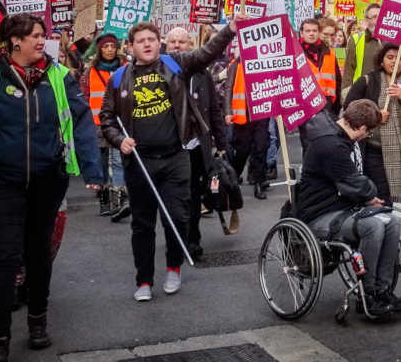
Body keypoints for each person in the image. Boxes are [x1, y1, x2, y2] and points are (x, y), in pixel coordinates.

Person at [0, 13, 102, 361]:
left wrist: (92, 168)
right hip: (1, 182)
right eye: (35, 35)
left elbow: (80, 122)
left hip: (48, 181)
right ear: (14, 41)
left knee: (38, 255)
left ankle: (38, 320)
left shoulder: (60, 76)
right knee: (5, 258)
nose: (42, 41)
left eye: (43, 35)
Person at [99, 18, 240, 301]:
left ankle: (173, 267)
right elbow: (107, 118)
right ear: (131, 47)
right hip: (140, 162)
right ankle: (144, 280)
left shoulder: (175, 64)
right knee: (142, 223)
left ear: (158, 43)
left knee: (177, 217)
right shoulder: (118, 79)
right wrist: (119, 140)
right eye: (141, 41)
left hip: (176, 157)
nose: (148, 44)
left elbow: (206, 53)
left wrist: (230, 31)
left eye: (152, 39)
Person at [291, 99, 401, 317]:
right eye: (368, 133)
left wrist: (370, 197)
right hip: (319, 214)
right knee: (373, 226)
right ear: (362, 129)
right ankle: (369, 293)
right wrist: (371, 196)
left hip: (344, 208)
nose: (366, 136)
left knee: (392, 222)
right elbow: (356, 183)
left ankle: (383, 288)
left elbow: (356, 185)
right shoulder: (331, 146)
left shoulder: (340, 139)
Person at [164, 27, 228, 260]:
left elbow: (214, 111)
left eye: (182, 42)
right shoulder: (157, 71)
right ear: (166, 44)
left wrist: (221, 144)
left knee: (192, 195)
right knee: (173, 198)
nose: (177, 46)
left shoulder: (202, 74)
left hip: (195, 147)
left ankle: (192, 239)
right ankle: (176, 236)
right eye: (173, 42)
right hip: (168, 148)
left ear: (191, 45)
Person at [345, 43, 401, 203]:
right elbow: (349, 108)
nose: (394, 62)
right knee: (381, 194)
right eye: (390, 57)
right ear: (381, 61)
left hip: (399, 151)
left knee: (386, 197)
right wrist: (375, 116)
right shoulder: (367, 81)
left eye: (399, 58)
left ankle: (382, 222)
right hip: (372, 149)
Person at [83, 33, 129, 219]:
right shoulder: (90, 71)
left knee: (118, 160)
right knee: (100, 161)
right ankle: (104, 201)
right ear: (99, 49)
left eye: (112, 46)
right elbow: (85, 97)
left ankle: (118, 200)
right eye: (105, 46)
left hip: (119, 123)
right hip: (97, 124)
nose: (110, 49)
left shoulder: (126, 68)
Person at [224, 48, 272, 199]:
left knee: (260, 147)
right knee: (242, 150)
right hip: (242, 114)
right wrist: (228, 111)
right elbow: (228, 89)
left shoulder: (265, 63)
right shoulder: (236, 64)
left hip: (261, 112)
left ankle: (258, 182)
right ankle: (234, 176)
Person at [300, 18, 342, 109]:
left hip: (327, 103)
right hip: (305, 104)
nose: (311, 33)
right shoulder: (295, 53)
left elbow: (338, 79)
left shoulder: (330, 52)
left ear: (318, 32)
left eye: (314, 31)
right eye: (308, 31)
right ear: (301, 33)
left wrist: (337, 105)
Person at [344, 4, 381, 85]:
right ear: (367, 20)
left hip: (386, 94)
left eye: (380, 16)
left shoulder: (392, 40)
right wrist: (346, 94)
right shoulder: (356, 40)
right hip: (362, 92)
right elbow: (348, 72)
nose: (378, 20)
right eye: (374, 17)